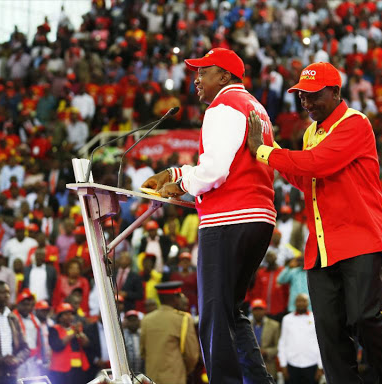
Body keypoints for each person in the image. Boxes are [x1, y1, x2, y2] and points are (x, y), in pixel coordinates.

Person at [247, 61, 382, 383]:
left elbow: (319, 163)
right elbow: (309, 180)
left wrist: (264, 152)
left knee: (363, 318)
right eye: (302, 96)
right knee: (330, 334)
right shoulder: (309, 134)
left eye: (314, 96)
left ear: (335, 92)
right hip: (320, 247)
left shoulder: (354, 123)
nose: (306, 102)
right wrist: (273, 149)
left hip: (358, 238)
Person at [141, 48, 277, 384]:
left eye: (204, 72)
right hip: (258, 215)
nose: (196, 80)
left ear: (225, 76)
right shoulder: (253, 106)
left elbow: (216, 170)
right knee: (231, 311)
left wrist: (182, 183)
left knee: (214, 316)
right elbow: (229, 163)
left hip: (228, 217)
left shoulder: (223, 106)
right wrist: (175, 173)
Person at [140, 281, 199, 384]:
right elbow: (192, 356)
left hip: (152, 378)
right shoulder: (183, 319)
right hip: (175, 378)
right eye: (180, 296)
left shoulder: (146, 320)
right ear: (175, 298)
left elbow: (143, 352)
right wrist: (182, 370)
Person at [0, 280, 30, 384]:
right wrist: (2, 359)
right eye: (2, 292)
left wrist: (17, 359)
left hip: (11, 374)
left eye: (8, 292)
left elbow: (25, 348)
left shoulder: (13, 318)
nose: (7, 296)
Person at [277, 293, 323, 384]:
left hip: (312, 363)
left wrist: (321, 367)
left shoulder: (315, 318)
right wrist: (283, 365)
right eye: (299, 301)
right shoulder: (287, 319)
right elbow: (282, 342)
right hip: (291, 364)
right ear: (295, 303)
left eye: (304, 301)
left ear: (308, 303)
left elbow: (321, 343)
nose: (301, 303)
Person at [48, 302, 90, 384]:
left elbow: (87, 344)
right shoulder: (54, 329)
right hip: (60, 369)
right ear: (59, 317)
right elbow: (57, 346)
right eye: (66, 314)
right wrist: (73, 334)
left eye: (71, 314)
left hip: (78, 368)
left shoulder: (76, 328)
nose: (69, 316)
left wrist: (80, 334)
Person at [250, 298, 280, 380]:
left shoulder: (274, 325)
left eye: (260, 309)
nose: (258, 312)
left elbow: (278, 347)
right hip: (250, 366)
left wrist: (266, 352)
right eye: (255, 309)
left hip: (268, 365)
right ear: (251, 311)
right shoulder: (246, 325)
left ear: (265, 310)